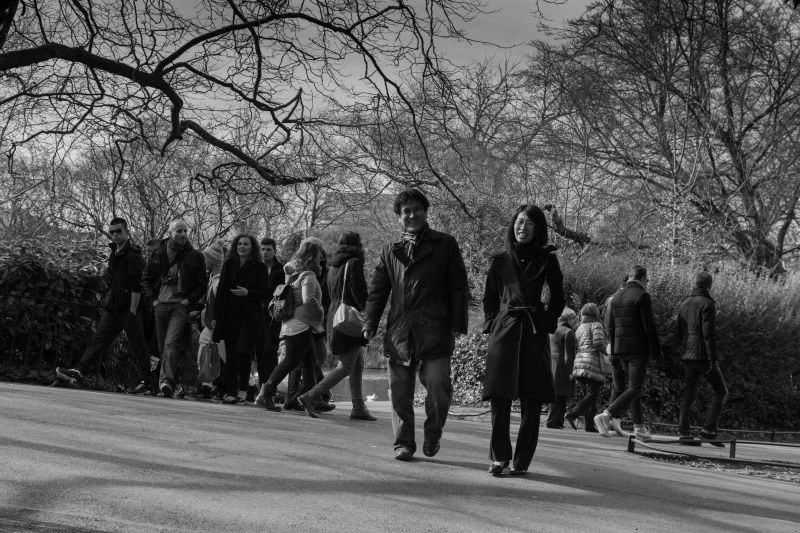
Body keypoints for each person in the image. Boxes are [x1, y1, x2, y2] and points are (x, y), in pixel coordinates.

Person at [363, 188, 469, 462]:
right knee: (399, 392)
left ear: (425, 212)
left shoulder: (445, 244)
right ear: (399, 217)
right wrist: (369, 323)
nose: (411, 215)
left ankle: (433, 432)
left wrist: (458, 323)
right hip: (400, 330)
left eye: (416, 209)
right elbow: (378, 291)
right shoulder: (391, 251)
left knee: (438, 387)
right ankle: (404, 443)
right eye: (405, 211)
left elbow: (458, 287)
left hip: (435, 328)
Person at [482, 204, 565, 476]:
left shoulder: (547, 259)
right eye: (519, 221)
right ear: (512, 225)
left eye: (529, 223)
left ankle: (522, 461)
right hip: (504, 331)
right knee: (499, 398)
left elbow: (558, 296)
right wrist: (493, 323)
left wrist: (545, 321)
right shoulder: (500, 260)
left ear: (538, 228)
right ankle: (499, 457)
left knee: (532, 400)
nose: (522, 227)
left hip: (532, 330)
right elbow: (490, 298)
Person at [56, 218, 150, 389]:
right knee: (98, 341)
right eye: (112, 231)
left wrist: (133, 311)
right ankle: (79, 371)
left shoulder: (133, 256)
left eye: (118, 231)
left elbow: (138, 286)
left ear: (126, 231)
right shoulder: (114, 253)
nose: (115, 234)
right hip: (113, 307)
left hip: (129, 309)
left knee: (138, 345)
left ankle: (149, 381)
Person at [298, 232, 375, 421]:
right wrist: (369, 312)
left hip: (335, 316)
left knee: (357, 363)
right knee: (346, 365)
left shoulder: (333, 266)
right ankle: (311, 395)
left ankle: (358, 406)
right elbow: (359, 293)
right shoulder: (354, 263)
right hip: (350, 317)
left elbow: (328, 293)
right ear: (358, 245)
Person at [254, 239, 324, 412]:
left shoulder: (292, 273)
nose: (322, 257)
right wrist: (321, 313)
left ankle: (310, 398)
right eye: (320, 253)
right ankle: (265, 393)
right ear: (314, 255)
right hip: (301, 324)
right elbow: (309, 300)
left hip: (291, 322)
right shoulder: (308, 275)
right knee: (290, 361)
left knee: (309, 363)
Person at [141, 219, 207, 398]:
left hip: (179, 306)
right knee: (164, 346)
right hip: (160, 305)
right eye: (179, 231)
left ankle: (165, 382)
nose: (183, 234)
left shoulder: (195, 256)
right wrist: (153, 301)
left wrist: (188, 301)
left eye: (185, 231)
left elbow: (202, 283)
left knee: (171, 343)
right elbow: (145, 279)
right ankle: (169, 383)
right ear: (170, 233)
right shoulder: (158, 253)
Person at [594, 265, 660, 440]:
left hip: (620, 348)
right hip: (638, 349)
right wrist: (656, 349)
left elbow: (611, 326)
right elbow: (649, 326)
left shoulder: (616, 297)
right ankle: (606, 415)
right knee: (635, 387)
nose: (647, 283)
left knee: (632, 387)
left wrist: (614, 349)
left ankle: (639, 427)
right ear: (643, 277)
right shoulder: (642, 295)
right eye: (647, 279)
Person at [212, 234, 270, 404]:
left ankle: (243, 389)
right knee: (230, 354)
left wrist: (248, 293)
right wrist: (217, 317)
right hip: (230, 315)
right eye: (239, 244)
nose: (242, 247)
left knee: (242, 351)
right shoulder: (229, 264)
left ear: (252, 247)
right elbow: (222, 291)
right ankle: (231, 392)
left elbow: (265, 292)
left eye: (246, 244)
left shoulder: (259, 266)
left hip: (250, 316)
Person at [676, 272, 727, 446]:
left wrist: (682, 351)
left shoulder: (684, 304)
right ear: (709, 286)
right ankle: (708, 430)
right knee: (721, 391)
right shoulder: (707, 304)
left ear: (695, 283)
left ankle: (684, 432)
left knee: (688, 393)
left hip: (687, 355)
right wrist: (713, 360)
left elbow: (678, 332)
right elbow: (708, 334)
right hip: (703, 356)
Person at [565, 303, 607, 432]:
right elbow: (598, 343)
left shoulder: (580, 327)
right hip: (591, 362)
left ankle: (589, 425)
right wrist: (608, 352)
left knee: (587, 396)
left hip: (580, 362)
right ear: (595, 313)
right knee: (592, 395)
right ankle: (572, 414)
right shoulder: (597, 325)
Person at [196, 242, 225, 399]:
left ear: (212, 261)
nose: (204, 262)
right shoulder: (212, 279)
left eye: (206, 259)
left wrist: (215, 319)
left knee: (210, 353)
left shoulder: (218, 282)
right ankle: (207, 385)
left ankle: (207, 385)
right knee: (209, 352)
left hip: (214, 324)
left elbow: (219, 304)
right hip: (210, 323)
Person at [260, 237, 284, 402]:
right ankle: (261, 388)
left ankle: (270, 389)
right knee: (259, 352)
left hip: (273, 316)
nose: (265, 252)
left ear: (274, 251)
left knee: (270, 350)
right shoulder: (256, 268)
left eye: (268, 249)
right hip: (255, 315)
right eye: (262, 249)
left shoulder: (280, 270)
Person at [547, 307, 576, 429]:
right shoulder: (568, 332)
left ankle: (556, 421)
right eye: (573, 318)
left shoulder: (552, 330)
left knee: (556, 394)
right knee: (562, 395)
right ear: (569, 319)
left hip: (551, 364)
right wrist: (570, 371)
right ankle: (554, 421)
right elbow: (569, 355)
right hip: (562, 366)